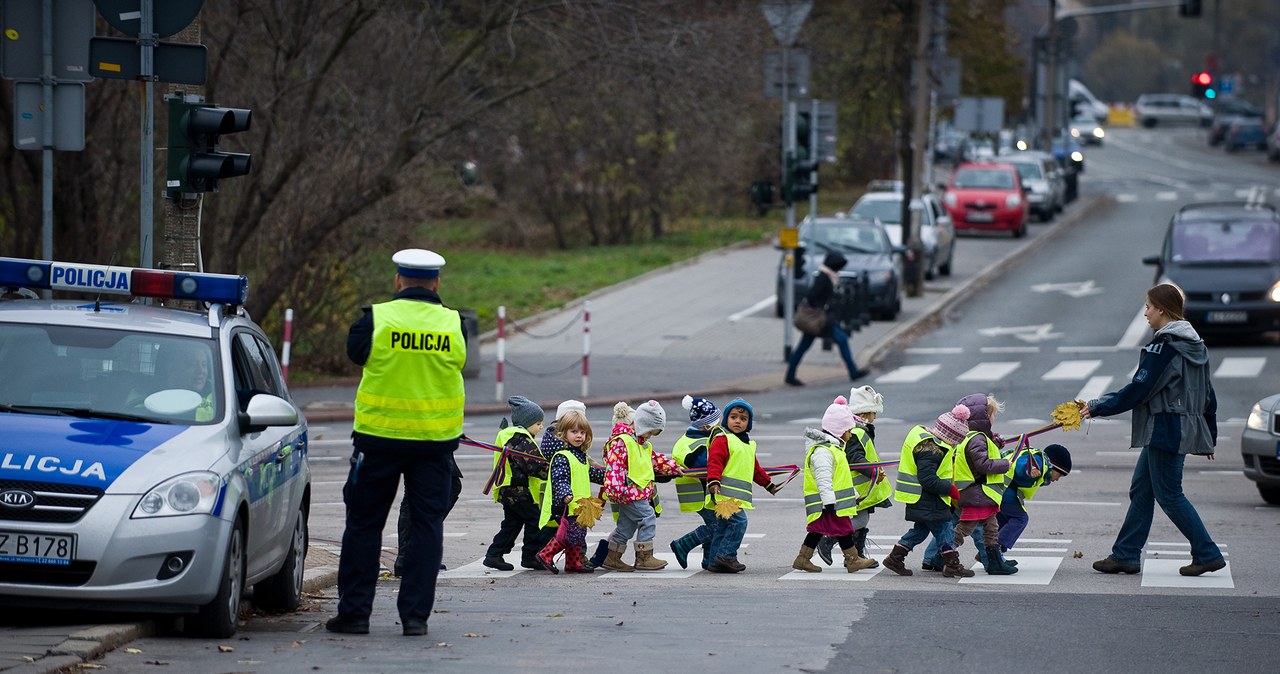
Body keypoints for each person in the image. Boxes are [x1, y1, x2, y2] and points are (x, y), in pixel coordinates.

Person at [326, 249, 466, 637]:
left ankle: (354, 614)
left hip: (378, 443)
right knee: (426, 528)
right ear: (437, 283)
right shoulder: (455, 324)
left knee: (364, 526)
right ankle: (415, 618)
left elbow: (354, 355)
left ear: (397, 281)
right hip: (434, 445)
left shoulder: (375, 320)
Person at [1087, 283, 1225, 577]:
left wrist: (1098, 406)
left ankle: (1207, 552)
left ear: (1162, 309)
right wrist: (1209, 434)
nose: (1145, 313)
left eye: (1148, 306)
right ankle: (1125, 554)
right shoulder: (1196, 345)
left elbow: (1140, 389)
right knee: (1142, 489)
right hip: (1178, 427)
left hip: (1165, 427)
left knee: (1170, 495)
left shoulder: (1164, 347)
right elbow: (1208, 394)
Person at [882, 405, 970, 578]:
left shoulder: (928, 441)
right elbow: (928, 479)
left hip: (921, 498)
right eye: (956, 440)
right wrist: (949, 489)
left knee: (920, 530)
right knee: (945, 529)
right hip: (929, 498)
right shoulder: (932, 450)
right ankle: (952, 564)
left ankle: (895, 557)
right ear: (950, 436)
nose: (956, 444)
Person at [794, 396, 877, 573]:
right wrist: (829, 502)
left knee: (818, 529)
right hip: (827, 502)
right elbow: (823, 480)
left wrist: (854, 496)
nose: (850, 434)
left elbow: (842, 479)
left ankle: (803, 558)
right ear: (839, 431)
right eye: (848, 430)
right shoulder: (824, 452)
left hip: (831, 501)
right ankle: (853, 560)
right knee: (844, 528)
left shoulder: (835, 450)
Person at [600, 400, 683, 572]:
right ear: (642, 425)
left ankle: (611, 557)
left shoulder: (639, 442)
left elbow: (654, 460)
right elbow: (614, 468)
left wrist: (673, 468)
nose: (650, 436)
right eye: (650, 432)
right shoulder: (622, 442)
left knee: (626, 526)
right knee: (648, 517)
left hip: (633, 492)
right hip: (628, 493)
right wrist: (617, 491)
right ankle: (644, 557)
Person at [704, 397, 783, 573]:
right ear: (726, 420)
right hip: (723, 494)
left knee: (723, 527)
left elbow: (755, 469)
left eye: (743, 419)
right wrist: (714, 481)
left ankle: (714, 561)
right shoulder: (723, 438)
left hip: (733, 496)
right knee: (739, 523)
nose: (738, 421)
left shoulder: (746, 444)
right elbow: (715, 462)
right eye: (733, 417)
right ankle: (726, 556)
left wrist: (768, 485)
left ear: (749, 424)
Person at [816, 385, 892, 567]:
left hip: (863, 487)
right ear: (867, 413)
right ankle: (828, 538)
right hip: (856, 488)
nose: (876, 417)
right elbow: (856, 459)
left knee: (862, 520)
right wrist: (873, 471)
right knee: (860, 519)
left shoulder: (859, 430)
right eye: (874, 413)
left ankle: (855, 556)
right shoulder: (857, 432)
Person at [940, 393, 1015, 576]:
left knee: (991, 528)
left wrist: (995, 443)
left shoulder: (975, 436)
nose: (994, 418)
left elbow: (980, 454)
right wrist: (1005, 464)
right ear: (984, 417)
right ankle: (946, 555)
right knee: (964, 528)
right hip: (978, 493)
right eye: (993, 414)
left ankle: (995, 561)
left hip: (981, 493)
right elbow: (983, 464)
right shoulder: (977, 438)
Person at [972, 443, 1072, 568]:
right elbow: (1022, 465)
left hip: (997, 489)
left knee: (1002, 521)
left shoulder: (1034, 456)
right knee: (1020, 519)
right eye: (1060, 474)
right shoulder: (1039, 461)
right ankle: (995, 551)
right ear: (1054, 466)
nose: (1058, 479)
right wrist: (1028, 470)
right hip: (1005, 492)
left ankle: (986, 553)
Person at [481, 396, 550, 572]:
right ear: (526, 422)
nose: (540, 427)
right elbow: (533, 465)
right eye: (537, 423)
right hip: (518, 491)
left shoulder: (510, 437)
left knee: (512, 523)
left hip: (507, 490)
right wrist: (551, 470)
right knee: (534, 519)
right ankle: (530, 556)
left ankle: (494, 554)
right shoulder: (522, 439)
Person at [534, 409, 606, 574]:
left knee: (579, 534)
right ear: (563, 434)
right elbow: (559, 479)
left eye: (582, 432)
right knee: (569, 534)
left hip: (581, 505)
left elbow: (590, 473)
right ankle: (545, 554)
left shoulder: (580, 456)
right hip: (568, 503)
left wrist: (607, 476)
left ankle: (573, 562)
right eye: (574, 432)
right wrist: (565, 493)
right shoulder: (562, 456)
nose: (579, 436)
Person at [784, 251, 869, 386]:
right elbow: (813, 296)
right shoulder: (824, 277)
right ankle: (853, 372)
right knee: (841, 340)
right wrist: (822, 309)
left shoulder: (826, 275)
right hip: (820, 319)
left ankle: (790, 375)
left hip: (820, 319)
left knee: (804, 346)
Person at [668, 395, 723, 570]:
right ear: (707, 425)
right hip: (699, 494)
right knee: (718, 526)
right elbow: (708, 463)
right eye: (717, 422)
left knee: (714, 523)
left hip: (705, 492)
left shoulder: (697, 438)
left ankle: (709, 560)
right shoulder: (694, 445)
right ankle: (683, 544)